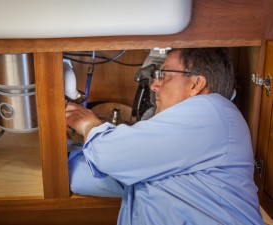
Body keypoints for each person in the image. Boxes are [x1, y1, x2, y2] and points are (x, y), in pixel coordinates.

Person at [65, 48, 264, 225]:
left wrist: (88, 124)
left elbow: (109, 157)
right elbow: (107, 173)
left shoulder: (214, 111)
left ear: (196, 83)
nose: (154, 85)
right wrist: (60, 157)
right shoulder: (177, 144)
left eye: (164, 75)